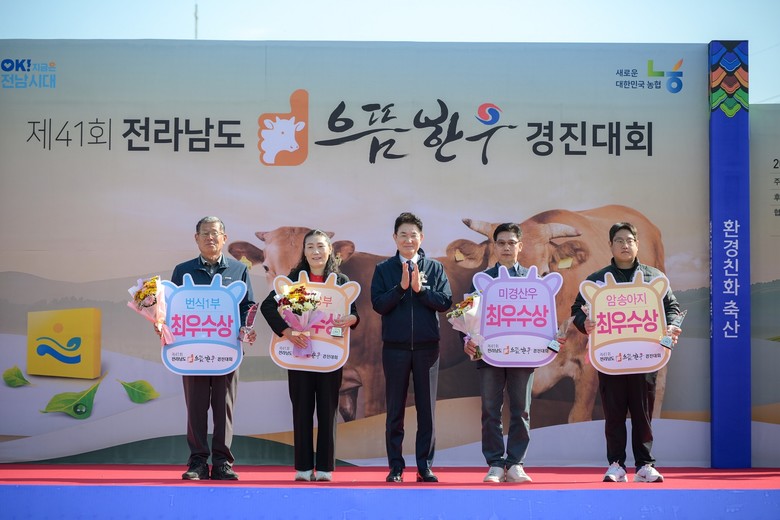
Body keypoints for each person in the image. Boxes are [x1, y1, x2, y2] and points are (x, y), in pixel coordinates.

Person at [571, 222, 681, 483]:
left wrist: (672, 326)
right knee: (614, 414)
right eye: (619, 240)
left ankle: (645, 465)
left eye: (629, 240)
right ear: (610, 245)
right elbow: (577, 309)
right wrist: (584, 323)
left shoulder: (654, 277)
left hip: (645, 356)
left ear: (637, 244)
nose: (625, 245)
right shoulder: (596, 280)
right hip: (611, 357)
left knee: (643, 413)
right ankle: (616, 464)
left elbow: (672, 308)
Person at [260, 229, 359, 483]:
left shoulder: (340, 281)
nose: (316, 252)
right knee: (302, 410)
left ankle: (325, 466)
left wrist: (351, 318)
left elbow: (354, 313)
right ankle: (303, 466)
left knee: (328, 411)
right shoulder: (295, 281)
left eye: (320, 246)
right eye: (311, 247)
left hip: (329, 357)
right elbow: (268, 306)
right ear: (304, 252)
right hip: (300, 357)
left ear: (330, 250)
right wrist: (287, 331)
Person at [171, 216, 256, 481]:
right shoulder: (183, 270)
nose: (210, 237)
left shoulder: (238, 269)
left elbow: (248, 305)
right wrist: (163, 326)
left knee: (223, 407)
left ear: (224, 238)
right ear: (196, 238)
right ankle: (197, 462)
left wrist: (246, 327)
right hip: (192, 353)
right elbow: (172, 307)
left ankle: (222, 463)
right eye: (205, 233)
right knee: (195, 408)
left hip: (227, 351)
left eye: (215, 233)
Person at [371, 212, 453, 483]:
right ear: (395, 238)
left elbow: (445, 301)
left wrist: (421, 290)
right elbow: (378, 305)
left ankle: (424, 466)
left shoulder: (435, 268)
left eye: (413, 235)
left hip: (427, 349)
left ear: (422, 238)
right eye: (403, 235)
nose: (408, 240)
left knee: (426, 411)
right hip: (394, 349)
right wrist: (401, 288)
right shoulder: (384, 269)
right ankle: (396, 467)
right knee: (395, 410)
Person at [463, 223, 534, 483]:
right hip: (489, 354)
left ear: (520, 246)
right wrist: (467, 339)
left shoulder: (532, 280)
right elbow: (466, 315)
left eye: (511, 243)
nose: (506, 247)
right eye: (501, 243)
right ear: (494, 246)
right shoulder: (481, 280)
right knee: (490, 410)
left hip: (523, 354)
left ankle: (515, 463)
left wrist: (548, 342)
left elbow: (544, 317)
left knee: (521, 410)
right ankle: (494, 463)